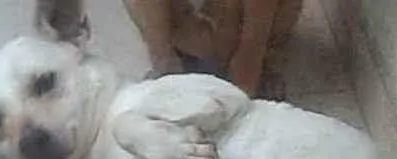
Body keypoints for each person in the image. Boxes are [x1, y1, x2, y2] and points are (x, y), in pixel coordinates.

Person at [123, 0, 303, 98]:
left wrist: (250, 58)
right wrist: (162, 56)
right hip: (184, 27)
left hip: (238, 25)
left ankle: (259, 65)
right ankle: (169, 66)